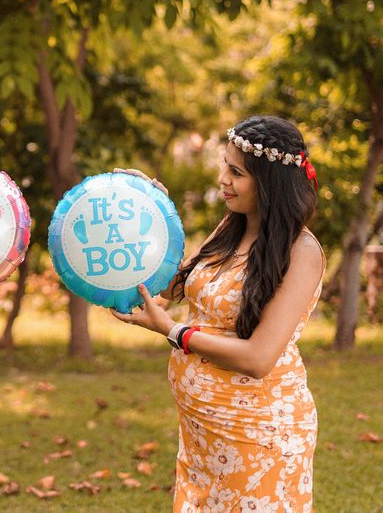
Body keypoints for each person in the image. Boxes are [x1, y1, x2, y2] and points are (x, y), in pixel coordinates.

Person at [111, 115, 325, 512]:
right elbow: (172, 287)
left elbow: (259, 358)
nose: (223, 179)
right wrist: (150, 211)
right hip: (202, 437)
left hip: (259, 436)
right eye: (224, 165)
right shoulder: (232, 227)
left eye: (237, 172)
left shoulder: (301, 252)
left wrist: (175, 331)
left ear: (270, 182)